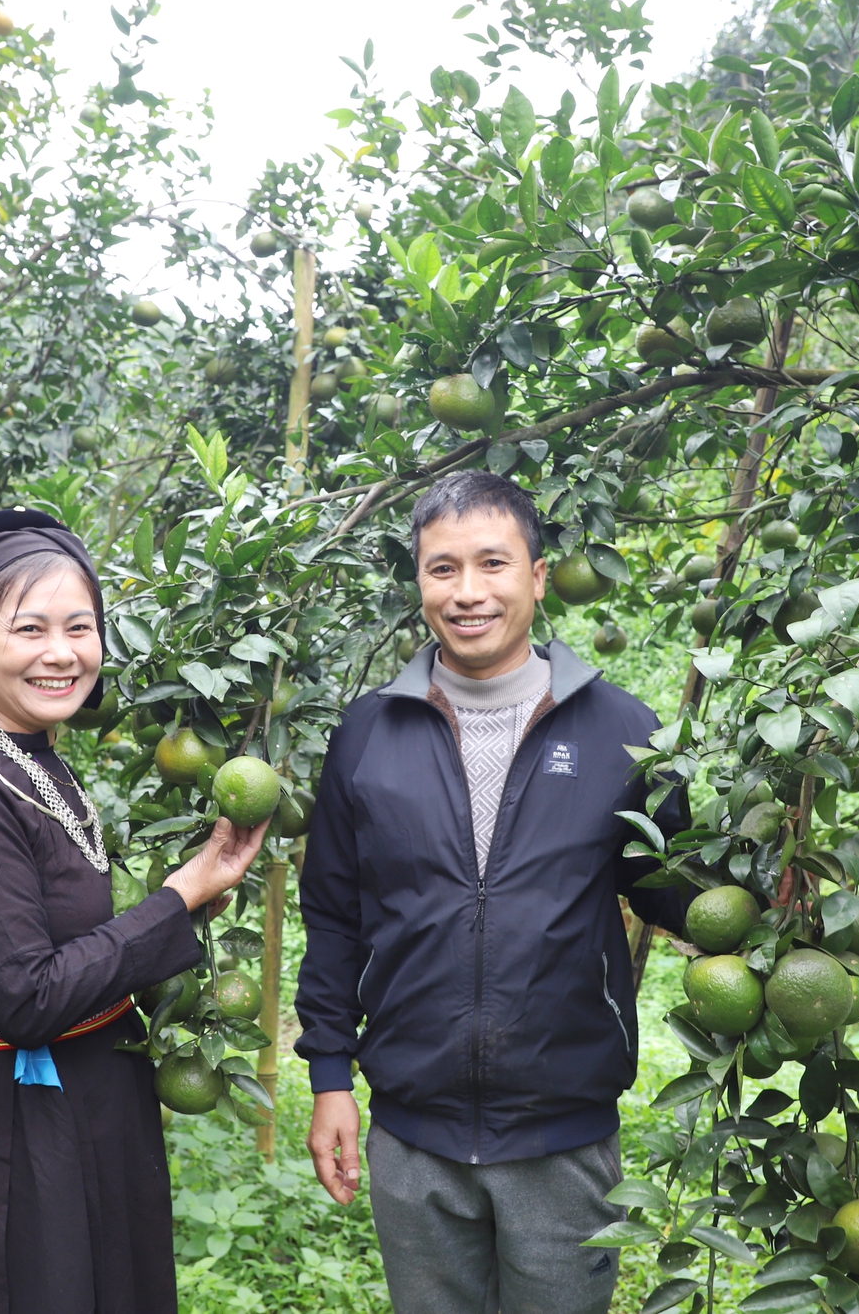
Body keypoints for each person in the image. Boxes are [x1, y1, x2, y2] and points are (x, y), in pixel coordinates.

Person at [296, 471, 694, 1314]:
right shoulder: (367, 733)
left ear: (538, 578)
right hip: (412, 1135)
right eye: (443, 569)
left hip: (563, 1135)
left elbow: (673, 888)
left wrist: (769, 890)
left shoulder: (622, 729)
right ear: (419, 582)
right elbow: (333, 914)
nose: (468, 592)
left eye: (493, 564)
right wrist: (331, 1073)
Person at [0, 508, 266, 1314]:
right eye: (31, 628)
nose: (62, 652)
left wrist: (194, 892)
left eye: (80, 626)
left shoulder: (30, 759)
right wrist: (177, 897)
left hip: (80, 1102)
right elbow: (26, 997)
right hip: (3, 1132)